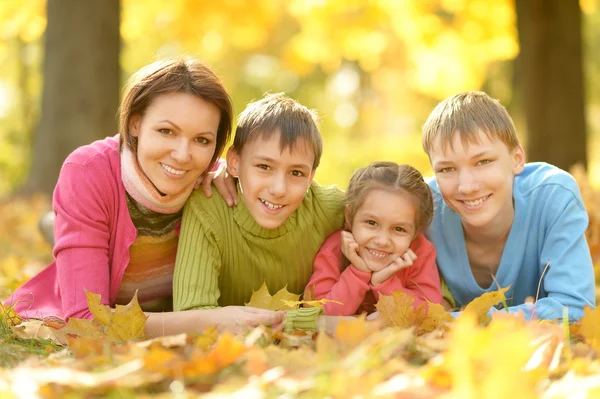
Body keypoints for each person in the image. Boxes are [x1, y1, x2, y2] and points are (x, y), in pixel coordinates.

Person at [5, 57, 285, 335]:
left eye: (202, 140)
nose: (182, 155)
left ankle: (54, 226)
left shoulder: (217, 180)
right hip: (114, 300)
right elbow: (87, 321)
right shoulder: (88, 172)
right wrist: (207, 322)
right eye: (166, 131)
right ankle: (56, 226)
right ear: (136, 123)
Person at [173, 92, 346, 331]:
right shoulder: (208, 206)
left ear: (311, 178)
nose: (278, 189)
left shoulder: (328, 208)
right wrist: (317, 323)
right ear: (234, 162)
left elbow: (395, 214)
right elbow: (190, 314)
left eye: (296, 173)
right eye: (264, 167)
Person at [422, 91, 595, 321]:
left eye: (483, 162)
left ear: (517, 159)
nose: (467, 186)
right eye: (446, 169)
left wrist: (463, 322)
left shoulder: (554, 196)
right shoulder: (423, 208)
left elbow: (574, 308)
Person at [307, 162, 442, 316]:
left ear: (416, 232)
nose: (382, 241)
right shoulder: (334, 250)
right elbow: (318, 313)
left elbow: (430, 316)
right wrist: (358, 273)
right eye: (371, 223)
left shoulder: (420, 253)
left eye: (399, 229)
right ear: (350, 216)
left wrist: (385, 284)